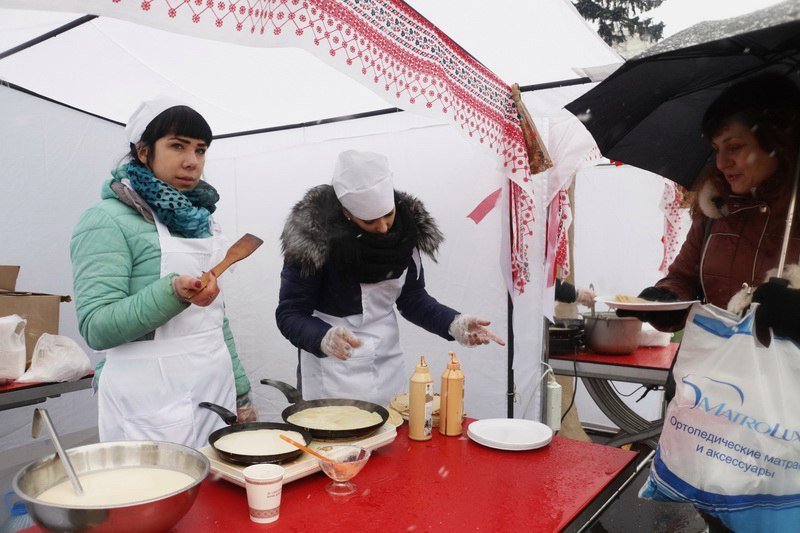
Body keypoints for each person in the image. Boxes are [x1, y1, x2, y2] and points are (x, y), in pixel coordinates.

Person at [618, 74, 800, 532]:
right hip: (707, 402)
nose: (722, 163)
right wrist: (663, 301)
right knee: (715, 513)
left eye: (734, 146)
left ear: (778, 140)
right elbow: (684, 278)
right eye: (717, 149)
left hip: (781, 409)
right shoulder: (716, 209)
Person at [70, 97, 255, 449]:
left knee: (218, 499)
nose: (191, 162)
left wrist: (241, 392)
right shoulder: (105, 221)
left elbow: (216, 321)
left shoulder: (204, 222)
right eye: (177, 146)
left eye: (200, 150)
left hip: (215, 390)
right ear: (143, 152)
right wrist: (171, 293)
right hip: (150, 400)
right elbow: (95, 326)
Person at [276, 149, 505, 406]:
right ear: (347, 213)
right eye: (370, 220)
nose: (384, 227)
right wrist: (323, 337)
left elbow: (412, 298)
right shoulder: (313, 240)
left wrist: (453, 323)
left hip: (387, 365)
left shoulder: (406, 232)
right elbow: (290, 313)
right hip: (331, 371)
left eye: (388, 214)